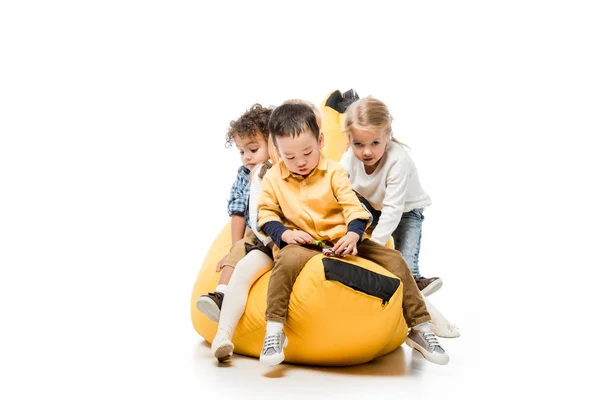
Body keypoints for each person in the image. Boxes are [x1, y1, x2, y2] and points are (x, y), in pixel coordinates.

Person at [257, 103, 449, 366]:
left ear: (321, 141)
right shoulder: (273, 178)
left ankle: (420, 328)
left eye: (307, 152)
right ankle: (274, 332)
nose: (300, 162)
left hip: (342, 238)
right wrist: (285, 235)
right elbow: (265, 213)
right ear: (277, 152)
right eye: (289, 157)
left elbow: (353, 207)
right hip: (302, 241)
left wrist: (353, 234)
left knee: (395, 260)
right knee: (285, 263)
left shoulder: (335, 171)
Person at [210, 100, 323, 362]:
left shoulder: (315, 167)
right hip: (271, 242)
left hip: (304, 244)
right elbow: (257, 219)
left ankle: (276, 335)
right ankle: (223, 335)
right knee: (244, 269)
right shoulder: (263, 173)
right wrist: (278, 239)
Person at [340, 97, 442, 296]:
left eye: (375, 143)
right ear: (350, 139)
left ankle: (415, 284)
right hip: (372, 206)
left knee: (405, 265)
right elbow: (335, 186)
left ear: (387, 135)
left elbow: (393, 210)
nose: (367, 151)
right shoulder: (349, 158)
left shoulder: (398, 160)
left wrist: (373, 248)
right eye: (359, 144)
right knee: (348, 198)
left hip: (406, 211)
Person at [196, 104, 272, 321]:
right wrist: (233, 247)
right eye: (241, 151)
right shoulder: (243, 175)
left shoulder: (280, 169)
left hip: (278, 230)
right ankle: (220, 295)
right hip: (254, 232)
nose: (246, 157)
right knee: (238, 251)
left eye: (253, 149)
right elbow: (238, 211)